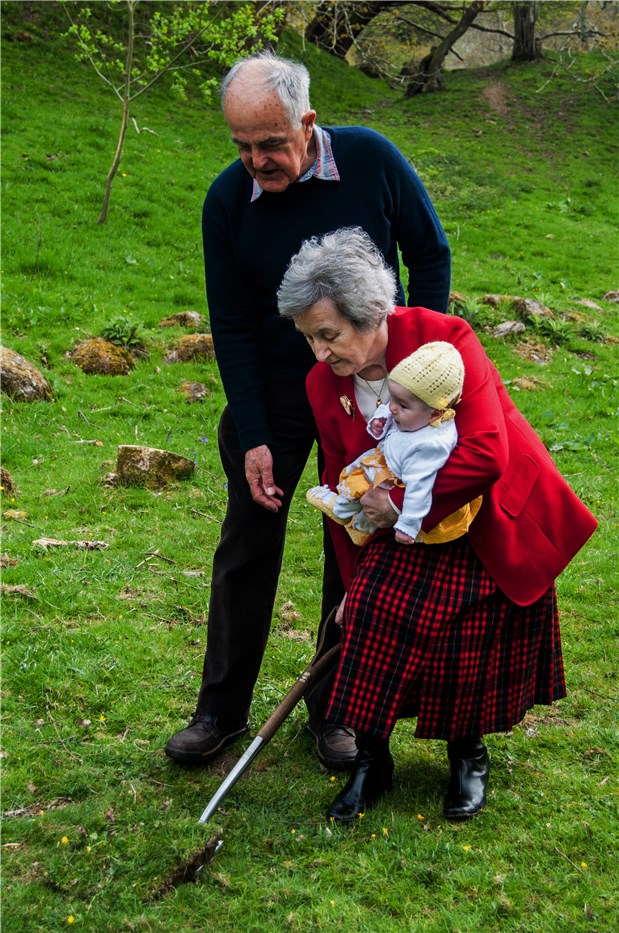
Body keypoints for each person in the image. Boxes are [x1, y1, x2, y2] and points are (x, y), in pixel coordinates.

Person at [164, 51, 452, 770]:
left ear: (307, 122)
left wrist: (412, 369)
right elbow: (229, 322)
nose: (255, 159)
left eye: (269, 143)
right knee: (245, 547)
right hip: (274, 392)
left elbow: (430, 252)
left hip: (367, 390)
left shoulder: (372, 160)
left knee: (349, 543)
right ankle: (220, 710)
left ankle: (334, 712)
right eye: (241, 145)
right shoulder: (226, 202)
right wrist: (255, 433)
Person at [276, 227, 597, 821]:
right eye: (309, 339)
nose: (320, 354)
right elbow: (343, 490)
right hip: (397, 529)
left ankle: (466, 756)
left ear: (370, 315)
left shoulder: (443, 340)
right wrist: (351, 588)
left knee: (463, 630)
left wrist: (402, 511)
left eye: (329, 335)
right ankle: (372, 760)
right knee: (372, 618)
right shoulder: (324, 384)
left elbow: (485, 454)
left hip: (481, 516)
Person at [306, 342, 481, 546]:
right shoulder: (418, 413)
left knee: (362, 479)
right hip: (389, 462)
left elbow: (419, 488)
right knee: (362, 474)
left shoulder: (430, 446)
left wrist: (408, 524)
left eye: (402, 405)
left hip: (397, 479)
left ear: (436, 414)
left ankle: (343, 508)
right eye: (393, 398)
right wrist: (380, 422)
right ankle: (358, 521)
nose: (392, 408)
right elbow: (391, 410)